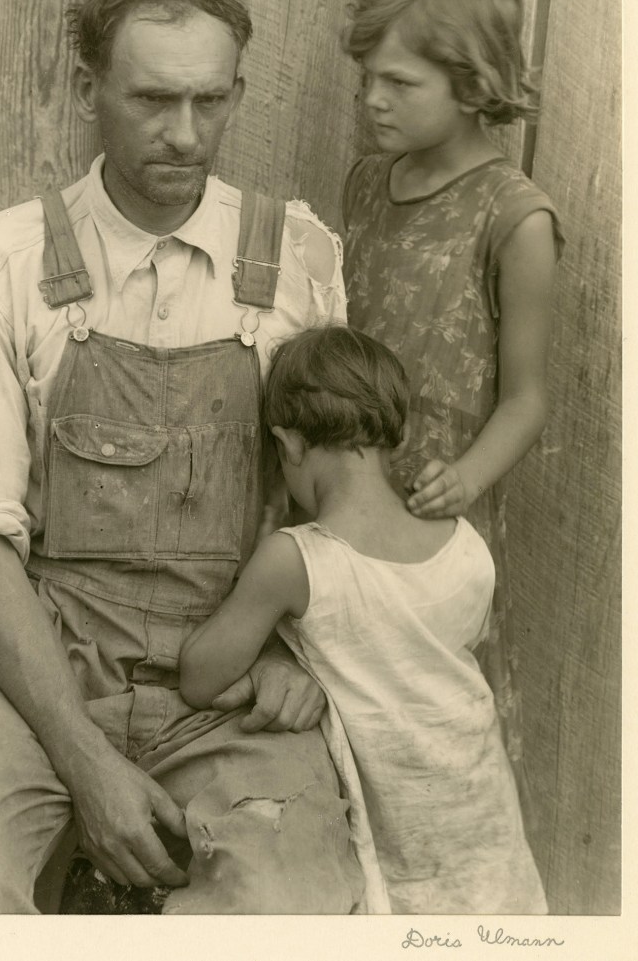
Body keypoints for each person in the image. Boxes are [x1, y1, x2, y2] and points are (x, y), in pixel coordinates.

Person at [0, 0, 366, 914]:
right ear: (88, 92)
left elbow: (340, 510)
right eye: (153, 98)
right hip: (41, 666)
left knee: (292, 904)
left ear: (236, 92)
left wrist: (289, 656)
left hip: (234, 678)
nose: (185, 134)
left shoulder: (299, 265)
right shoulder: (4, 263)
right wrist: (83, 758)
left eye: (211, 99)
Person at [180, 324, 548, 914]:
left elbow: (198, 675)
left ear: (290, 444)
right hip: (487, 824)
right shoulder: (466, 545)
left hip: (403, 839)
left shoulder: (297, 558)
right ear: (393, 432)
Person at [340, 0, 564, 791]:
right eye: (367, 79)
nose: (372, 99)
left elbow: (528, 398)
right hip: (347, 497)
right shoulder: (369, 181)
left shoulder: (516, 216)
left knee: (427, 727)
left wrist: (465, 478)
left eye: (399, 81)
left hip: (439, 514)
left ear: (473, 86)